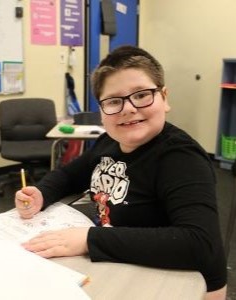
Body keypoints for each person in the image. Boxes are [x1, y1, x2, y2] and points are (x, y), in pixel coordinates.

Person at [15, 45, 227, 299]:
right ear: (102, 111)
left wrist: (89, 239)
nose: (128, 108)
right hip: (126, 262)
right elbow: (70, 174)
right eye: (114, 101)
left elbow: (200, 244)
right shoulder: (109, 141)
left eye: (141, 95)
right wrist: (41, 192)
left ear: (164, 97)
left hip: (186, 283)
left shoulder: (180, 157)